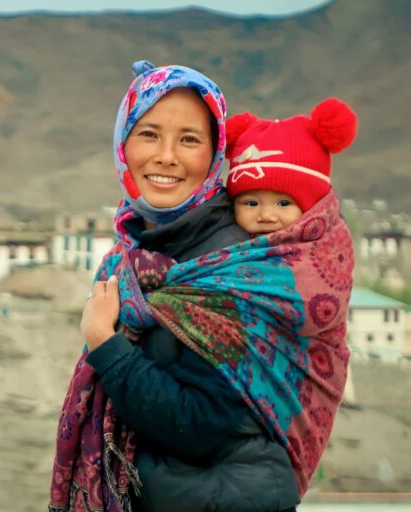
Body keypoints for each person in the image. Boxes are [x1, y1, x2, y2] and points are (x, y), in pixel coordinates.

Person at [50, 63, 355, 512]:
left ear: (216, 153)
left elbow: (198, 425)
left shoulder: (234, 265)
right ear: (122, 144)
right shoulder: (136, 252)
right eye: (148, 134)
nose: (166, 155)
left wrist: (105, 344)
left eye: (189, 139)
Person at [225, 98, 357, 238]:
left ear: (315, 208)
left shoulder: (329, 253)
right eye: (251, 203)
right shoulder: (219, 249)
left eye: (283, 203)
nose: (266, 216)